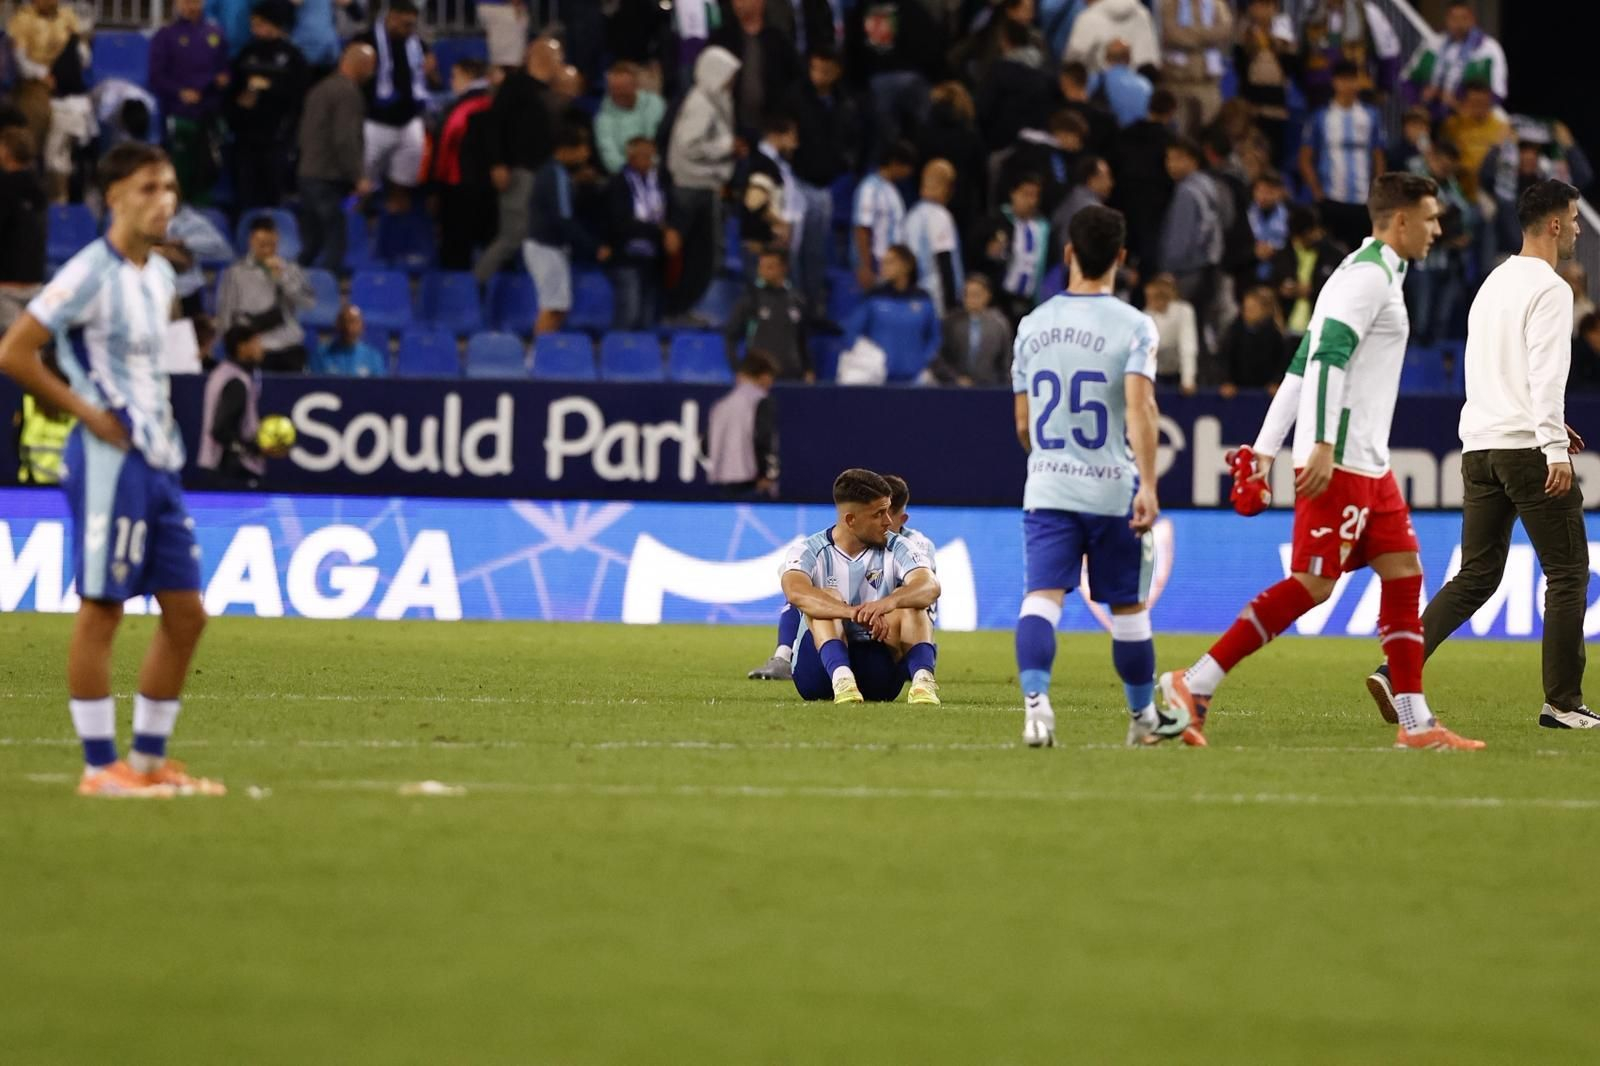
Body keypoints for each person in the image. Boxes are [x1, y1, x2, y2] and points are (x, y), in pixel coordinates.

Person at [1159, 172, 1485, 751]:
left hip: (1368, 462)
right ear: (1401, 220)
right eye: (1431, 218)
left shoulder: (1374, 272)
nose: (1438, 229)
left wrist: (1263, 449)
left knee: (1405, 572)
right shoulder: (1366, 279)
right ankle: (1194, 682)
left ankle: (1415, 723)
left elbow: (1299, 365)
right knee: (1312, 585)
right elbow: (1327, 360)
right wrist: (1321, 446)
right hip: (1342, 460)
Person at [0, 143, 220, 797]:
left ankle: (148, 763)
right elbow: (14, 351)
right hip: (106, 462)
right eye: (150, 188)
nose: (166, 201)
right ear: (115, 196)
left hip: (159, 460)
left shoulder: (159, 276)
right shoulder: (88, 272)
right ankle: (101, 768)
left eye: (171, 188)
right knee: (103, 608)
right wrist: (86, 414)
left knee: (187, 614)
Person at [1374, 180, 1593, 731]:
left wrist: (1542, 424)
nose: (1579, 228)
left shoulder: (1492, 281)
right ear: (1554, 225)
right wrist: (1552, 447)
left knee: (1476, 574)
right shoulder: (1551, 287)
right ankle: (1562, 703)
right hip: (1526, 450)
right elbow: (1547, 373)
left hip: (1480, 446)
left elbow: (1489, 368)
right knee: (1568, 573)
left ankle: (1395, 667)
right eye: (1574, 217)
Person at [1011, 204, 1175, 748]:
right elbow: (1140, 408)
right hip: (1111, 488)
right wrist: (1147, 485)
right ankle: (1141, 718)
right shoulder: (1134, 326)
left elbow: (1022, 423)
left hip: (1048, 487)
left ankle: (1036, 708)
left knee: (1041, 598)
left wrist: (1049, 461)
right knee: (1127, 607)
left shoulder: (1031, 326)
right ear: (1121, 259)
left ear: (1068, 255)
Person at [748, 472, 938, 683]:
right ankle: (793, 660)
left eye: (889, 512)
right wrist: (853, 613)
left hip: (887, 646)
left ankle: (923, 679)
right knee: (822, 599)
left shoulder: (907, 544)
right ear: (851, 519)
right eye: (879, 514)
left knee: (910, 605)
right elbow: (795, 591)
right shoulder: (810, 550)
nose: (888, 521)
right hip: (821, 660)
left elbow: (930, 586)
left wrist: (887, 603)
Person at [783, 45, 862, 317]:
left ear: (837, 71)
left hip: (827, 183)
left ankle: (812, 304)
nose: (819, 75)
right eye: (815, 68)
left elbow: (853, 137)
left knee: (816, 250)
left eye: (826, 70)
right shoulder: (795, 96)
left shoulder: (845, 100)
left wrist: (845, 161)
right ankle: (793, 303)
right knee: (795, 248)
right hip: (797, 179)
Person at [474, 35, 560, 285]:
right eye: (555, 55)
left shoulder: (550, 91)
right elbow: (494, 125)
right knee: (512, 237)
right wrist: (498, 162)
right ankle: (475, 286)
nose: (559, 61)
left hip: (545, 174)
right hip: (519, 172)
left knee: (541, 238)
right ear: (539, 56)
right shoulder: (516, 85)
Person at [663, 45, 741, 317]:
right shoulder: (701, 103)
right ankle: (678, 310)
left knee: (703, 259)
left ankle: (686, 308)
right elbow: (688, 145)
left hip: (704, 187)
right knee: (696, 258)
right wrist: (726, 147)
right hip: (691, 189)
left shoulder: (715, 99)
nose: (732, 81)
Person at [297, 42, 377, 274]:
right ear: (363, 65)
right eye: (371, 66)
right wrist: (358, 176)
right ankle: (325, 297)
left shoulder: (320, 88)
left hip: (308, 173)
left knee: (311, 244)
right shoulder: (347, 92)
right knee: (334, 242)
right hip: (327, 177)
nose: (372, 72)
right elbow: (345, 139)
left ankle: (290, 288)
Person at [225, 1, 308, 211]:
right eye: (254, 24)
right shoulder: (246, 53)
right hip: (246, 138)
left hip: (277, 138)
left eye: (261, 23)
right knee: (245, 192)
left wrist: (270, 91)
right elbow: (233, 91)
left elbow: (298, 97)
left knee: (272, 192)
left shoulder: (293, 57)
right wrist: (238, 106)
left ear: (276, 25)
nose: (256, 29)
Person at [148, 0, 230, 204]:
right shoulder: (166, 35)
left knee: (208, 170)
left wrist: (224, 78)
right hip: (180, 114)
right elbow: (156, 77)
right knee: (179, 171)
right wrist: (180, 92)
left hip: (210, 115)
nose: (190, 5)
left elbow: (225, 68)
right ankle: (176, 215)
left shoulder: (216, 33)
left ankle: (203, 220)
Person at [1299, 61, 1386, 256]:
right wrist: (1317, 192)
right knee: (1330, 257)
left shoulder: (1370, 115)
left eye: (1352, 79)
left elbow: (1378, 156)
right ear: (1334, 82)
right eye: (1343, 80)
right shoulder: (1321, 116)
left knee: (1360, 258)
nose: (1348, 85)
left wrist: (1376, 191)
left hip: (1362, 201)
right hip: (1331, 199)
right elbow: (1305, 157)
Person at [353, 0, 433, 210]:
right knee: (363, 179)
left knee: (405, 176)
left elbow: (431, 80)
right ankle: (357, 216)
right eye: (406, 24)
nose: (410, 29)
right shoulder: (365, 41)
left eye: (412, 25)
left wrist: (431, 71)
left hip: (409, 120)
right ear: (393, 17)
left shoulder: (416, 44)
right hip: (375, 121)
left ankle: (395, 220)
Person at [524, 126, 603, 336]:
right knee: (553, 306)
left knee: (558, 307)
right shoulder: (555, 173)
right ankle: (536, 359)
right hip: (546, 247)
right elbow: (564, 218)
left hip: (550, 247)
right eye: (581, 147)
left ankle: (540, 356)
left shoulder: (558, 173)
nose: (586, 153)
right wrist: (592, 247)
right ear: (566, 149)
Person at [215, 215, 316, 372]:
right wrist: (232, 349)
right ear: (252, 241)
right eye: (262, 244)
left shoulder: (290, 269)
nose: (267, 250)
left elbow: (308, 302)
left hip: (287, 346)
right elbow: (226, 314)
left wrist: (283, 278)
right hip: (252, 348)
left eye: (272, 244)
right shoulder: (236, 273)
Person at [607, 136, 679, 331]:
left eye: (653, 157)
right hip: (627, 257)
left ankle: (644, 360)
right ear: (631, 157)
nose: (651, 161)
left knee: (648, 319)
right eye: (645, 156)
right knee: (629, 314)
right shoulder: (619, 183)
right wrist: (659, 230)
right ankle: (618, 358)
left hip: (654, 260)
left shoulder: (661, 181)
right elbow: (620, 222)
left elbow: (671, 211)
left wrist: (671, 230)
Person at [841, 245, 941, 383]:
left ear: (907, 265)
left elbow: (934, 338)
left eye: (890, 261)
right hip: (879, 381)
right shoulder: (873, 297)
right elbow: (851, 333)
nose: (884, 266)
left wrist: (922, 362)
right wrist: (866, 365)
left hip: (914, 382)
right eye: (883, 261)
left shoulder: (923, 299)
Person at [431, 59, 495, 272]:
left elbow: (445, 149)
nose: (451, 82)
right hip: (492, 189)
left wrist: (436, 189)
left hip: (459, 187)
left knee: (455, 251)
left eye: (455, 76)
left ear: (468, 76)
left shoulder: (461, 109)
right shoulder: (496, 102)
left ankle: (458, 296)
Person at [199, 323, 280, 487]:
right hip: (231, 470)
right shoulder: (235, 382)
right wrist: (255, 449)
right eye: (256, 343)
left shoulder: (227, 372)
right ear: (242, 347)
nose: (261, 348)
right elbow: (221, 430)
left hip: (222, 467)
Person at [1158, 137, 1222, 337]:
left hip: (1186, 272)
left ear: (1193, 161)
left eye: (1178, 158)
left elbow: (1180, 238)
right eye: (1169, 158)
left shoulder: (1186, 191)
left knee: (1180, 333)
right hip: (1208, 267)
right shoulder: (1208, 184)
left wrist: (1168, 270)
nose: (1171, 164)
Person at [1404, 0, 1508, 119]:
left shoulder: (1489, 49)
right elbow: (1406, 79)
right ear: (1446, 20)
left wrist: (1461, 106)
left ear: (1472, 20)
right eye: (1454, 18)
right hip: (1431, 117)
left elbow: (1499, 93)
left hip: (1469, 122)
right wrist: (1417, 101)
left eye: (1464, 18)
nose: (1459, 24)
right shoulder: (1432, 45)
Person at [1111, 88, 1176, 274]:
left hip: (1123, 208)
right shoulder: (1170, 142)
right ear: (1172, 111)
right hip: (1154, 215)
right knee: (1147, 267)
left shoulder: (1125, 134)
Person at [971, 173, 1051, 322]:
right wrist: (989, 254)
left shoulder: (1043, 227)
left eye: (1035, 195)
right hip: (1000, 301)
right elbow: (976, 253)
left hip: (1030, 302)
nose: (1031, 201)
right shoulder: (995, 220)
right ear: (1013, 193)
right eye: (1026, 194)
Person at [712, 0, 797, 136]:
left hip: (771, 129)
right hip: (730, 129)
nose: (738, 4)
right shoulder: (721, 39)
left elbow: (793, 82)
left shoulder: (778, 40)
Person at [724, 248, 811, 381]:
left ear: (783, 268)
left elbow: (802, 340)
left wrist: (808, 369)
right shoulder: (751, 299)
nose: (763, 271)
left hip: (793, 377)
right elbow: (731, 336)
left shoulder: (797, 300)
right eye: (761, 266)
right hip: (760, 379)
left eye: (769, 267)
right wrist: (738, 369)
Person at [706, 349, 780, 498]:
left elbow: (706, 444)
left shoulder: (720, 405)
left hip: (721, 481)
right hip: (752, 481)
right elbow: (763, 438)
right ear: (764, 376)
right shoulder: (761, 400)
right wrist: (765, 475)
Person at [1158, 0, 1234, 135]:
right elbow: (1173, 35)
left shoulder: (1217, 5)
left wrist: (1190, 33)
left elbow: (1225, 30)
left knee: (1210, 132)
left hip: (1207, 83)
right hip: (1177, 83)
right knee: (1179, 134)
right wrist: (1206, 36)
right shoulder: (1169, 4)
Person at [1267, 204, 1344, 336]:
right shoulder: (1284, 254)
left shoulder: (1335, 255)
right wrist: (1282, 291)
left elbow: (1342, 290)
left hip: (1321, 329)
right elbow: (1273, 284)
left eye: (1305, 236)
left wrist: (1312, 290)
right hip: (1288, 330)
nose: (1300, 242)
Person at [0, 128, 48, 336]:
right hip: (35, 284)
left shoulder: (4, 187)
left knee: (13, 354)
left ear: (7, 152)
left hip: (6, 287)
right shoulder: (39, 187)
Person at [1233, 0, 1294, 163]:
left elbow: (1291, 67)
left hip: (1276, 105)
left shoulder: (1284, 35)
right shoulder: (1244, 34)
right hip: (1252, 105)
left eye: (1267, 6)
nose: (1262, 11)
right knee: (1251, 152)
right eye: (1258, 5)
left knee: (1274, 152)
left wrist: (1279, 44)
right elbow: (1240, 68)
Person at [851, 141, 915, 293]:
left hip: (891, 269)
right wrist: (865, 267)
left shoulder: (892, 190)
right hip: (875, 267)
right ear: (895, 163)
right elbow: (862, 228)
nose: (909, 173)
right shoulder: (870, 188)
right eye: (907, 167)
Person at [903, 159, 964, 316]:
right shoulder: (940, 216)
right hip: (936, 300)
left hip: (912, 297)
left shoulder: (912, 215)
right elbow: (944, 260)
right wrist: (952, 305)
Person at [156, 199, 233, 320]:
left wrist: (184, 243)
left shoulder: (192, 221)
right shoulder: (140, 220)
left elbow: (223, 251)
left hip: (186, 293)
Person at [932, 275, 1013, 386]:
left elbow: (1006, 362)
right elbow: (938, 356)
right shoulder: (950, 322)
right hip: (954, 387)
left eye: (976, 295)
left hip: (990, 388)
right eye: (967, 295)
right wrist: (955, 378)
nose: (971, 299)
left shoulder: (999, 324)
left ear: (987, 295)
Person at [1438, 80, 1508, 203]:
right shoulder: (1452, 125)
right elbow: (1442, 157)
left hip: (1491, 197)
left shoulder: (1501, 127)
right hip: (1459, 195)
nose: (1479, 107)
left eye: (1483, 103)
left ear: (1490, 102)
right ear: (1465, 101)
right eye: (1474, 102)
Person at [594, 61, 665, 176]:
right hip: (625, 175)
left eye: (624, 88)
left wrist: (653, 164)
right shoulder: (603, 119)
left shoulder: (655, 104)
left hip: (659, 169)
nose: (620, 93)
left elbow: (662, 140)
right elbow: (609, 157)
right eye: (615, 89)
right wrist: (632, 170)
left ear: (635, 86)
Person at [1216, 285, 1286, 397]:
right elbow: (1225, 358)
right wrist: (1227, 381)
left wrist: (1276, 382)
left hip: (1265, 392)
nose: (1247, 313)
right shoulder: (1234, 331)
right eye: (1245, 308)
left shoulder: (1274, 334)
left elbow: (1282, 362)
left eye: (1253, 309)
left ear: (1264, 310)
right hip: (1238, 391)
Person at [1048, 154, 1112, 268]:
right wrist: (1123, 274)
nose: (1111, 183)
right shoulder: (1095, 210)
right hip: (1078, 273)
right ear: (1091, 180)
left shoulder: (1068, 199)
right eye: (1106, 176)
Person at [1065, 0, 1161, 75]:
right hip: (1140, 95)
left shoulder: (1086, 19)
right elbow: (1152, 64)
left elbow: (1072, 68)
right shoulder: (1143, 16)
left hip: (1095, 96)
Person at [1143, 272, 1198, 393]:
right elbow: (1145, 351)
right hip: (1156, 373)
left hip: (1178, 371)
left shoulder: (1184, 311)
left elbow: (1188, 346)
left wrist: (1188, 380)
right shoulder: (1146, 315)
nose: (1150, 301)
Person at [1087, 38, 1154, 129]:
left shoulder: (1095, 80)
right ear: (1129, 58)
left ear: (1106, 57)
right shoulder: (1145, 85)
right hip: (1136, 139)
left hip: (1105, 138)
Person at [309, 303, 387, 377]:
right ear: (337, 325)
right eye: (344, 322)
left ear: (362, 326)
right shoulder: (321, 354)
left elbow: (380, 388)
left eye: (354, 322)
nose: (349, 328)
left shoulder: (373, 357)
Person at [1247, 171, 1289, 281]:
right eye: (1260, 191)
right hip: (1248, 275)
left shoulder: (1290, 215)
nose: (1263, 196)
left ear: (1279, 192)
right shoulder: (1244, 214)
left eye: (1269, 192)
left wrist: (1275, 251)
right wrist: (1253, 252)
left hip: (1278, 276)